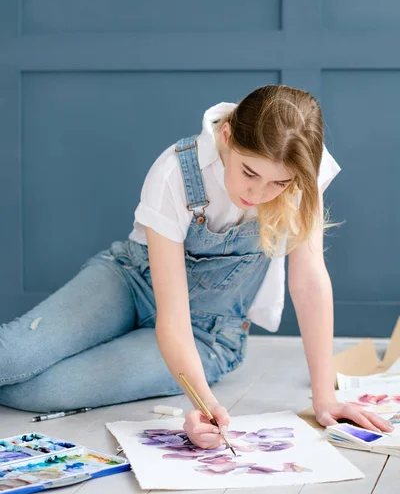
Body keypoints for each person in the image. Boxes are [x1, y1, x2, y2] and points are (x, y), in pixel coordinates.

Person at [0, 85, 393, 449]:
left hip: (207, 334)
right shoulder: (175, 171)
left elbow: (309, 280)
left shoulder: (304, 166)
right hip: (129, 281)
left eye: (278, 184)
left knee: (40, 389)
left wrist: (323, 399)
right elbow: (171, 315)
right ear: (227, 138)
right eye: (249, 172)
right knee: (13, 358)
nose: (256, 195)